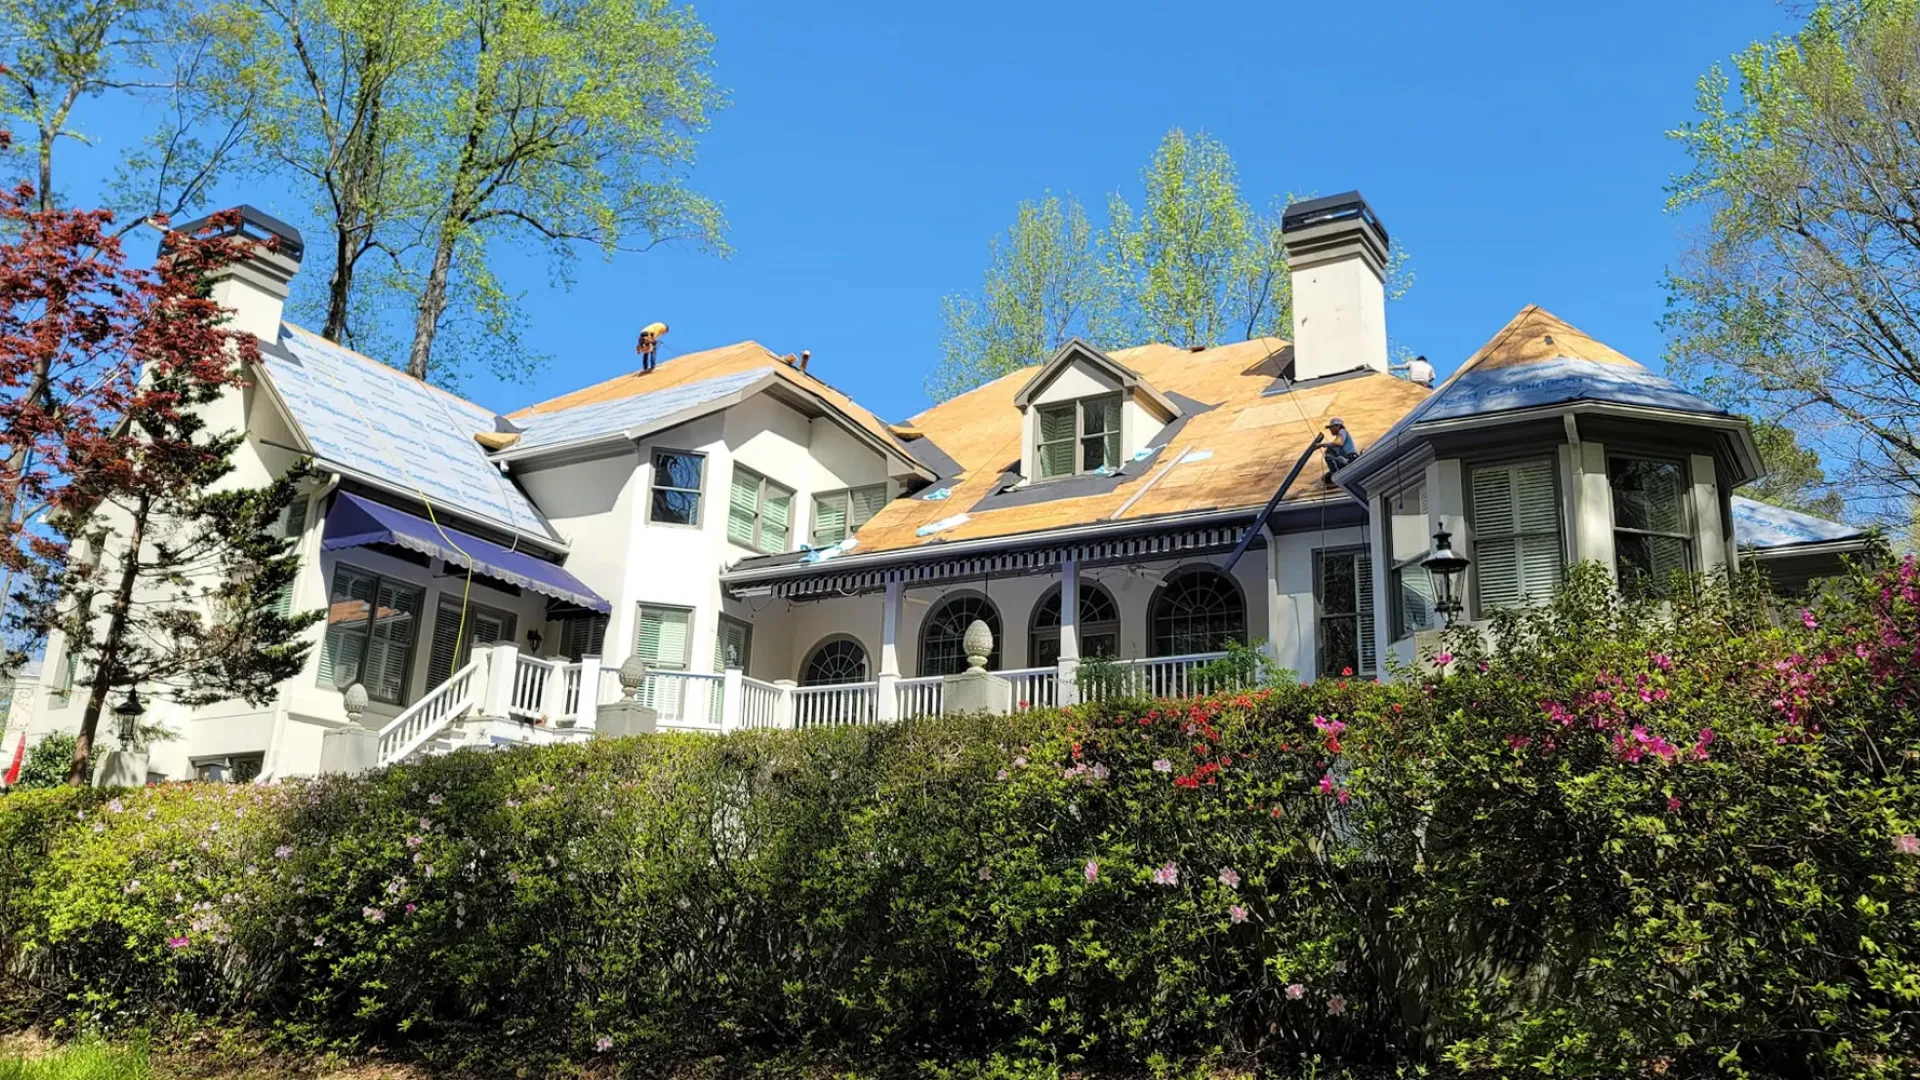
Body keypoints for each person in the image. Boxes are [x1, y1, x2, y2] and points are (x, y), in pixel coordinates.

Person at [1322, 417, 1358, 483]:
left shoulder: (1342, 432)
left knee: (1328, 457)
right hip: (1346, 460)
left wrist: (1324, 444)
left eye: (1331, 427)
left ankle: (1336, 475)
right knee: (1326, 478)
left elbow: (1339, 443)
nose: (1330, 430)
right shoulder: (1338, 436)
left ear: (1337, 426)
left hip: (1349, 460)